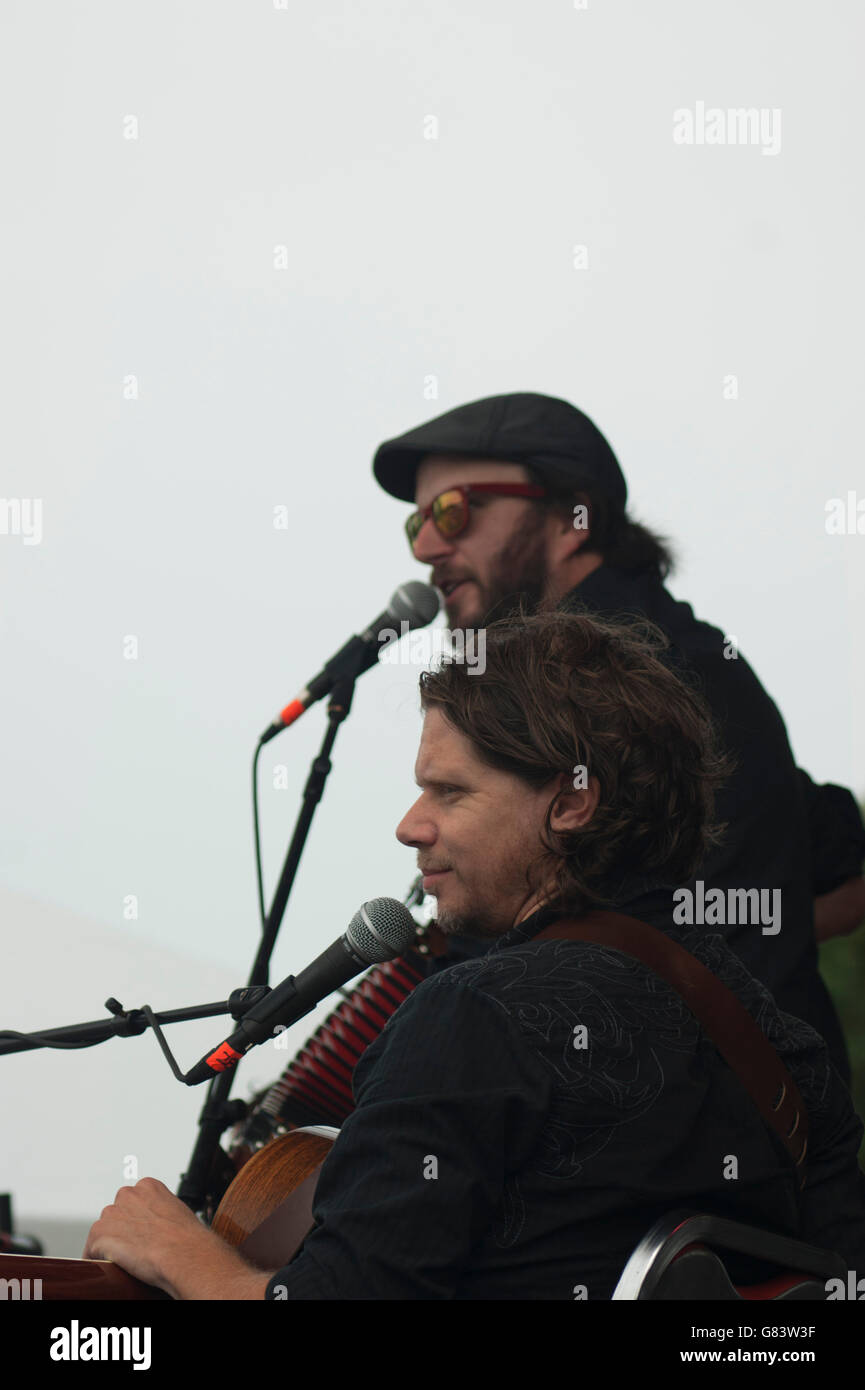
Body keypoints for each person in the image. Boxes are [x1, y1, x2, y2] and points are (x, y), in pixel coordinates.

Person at [84, 611, 865, 1299]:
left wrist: (182, 1253)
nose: (410, 825)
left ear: (569, 801)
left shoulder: (475, 1015)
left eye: (449, 792)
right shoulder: (782, 1046)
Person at [372, 390, 865, 1084]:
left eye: (455, 510)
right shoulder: (676, 664)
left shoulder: (646, 676)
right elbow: (837, 855)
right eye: (417, 523)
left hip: (674, 1148)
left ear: (570, 520)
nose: (427, 546)